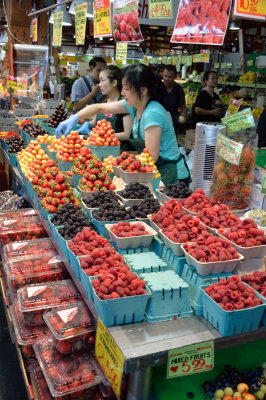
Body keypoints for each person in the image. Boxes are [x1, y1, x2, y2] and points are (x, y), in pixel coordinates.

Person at [56, 64, 190, 186]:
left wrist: (117, 162)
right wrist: (75, 118)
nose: (122, 93)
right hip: (153, 171)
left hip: (171, 175)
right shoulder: (134, 106)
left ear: (143, 90)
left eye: (126, 88)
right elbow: (99, 108)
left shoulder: (152, 113)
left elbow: (151, 156)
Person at [79, 65, 133, 140]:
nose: (99, 85)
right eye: (99, 81)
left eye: (102, 80)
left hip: (119, 149)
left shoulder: (124, 103)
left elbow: (127, 134)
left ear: (114, 82)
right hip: (101, 146)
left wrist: (103, 136)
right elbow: (95, 122)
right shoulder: (104, 101)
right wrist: (84, 124)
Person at [162, 64, 187, 136]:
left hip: (172, 124)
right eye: (165, 76)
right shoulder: (158, 87)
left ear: (175, 77)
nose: (167, 79)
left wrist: (183, 116)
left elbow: (183, 107)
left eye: (170, 77)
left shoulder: (178, 89)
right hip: (158, 121)